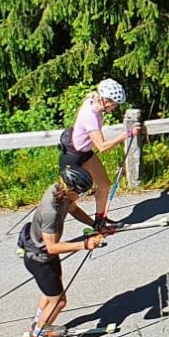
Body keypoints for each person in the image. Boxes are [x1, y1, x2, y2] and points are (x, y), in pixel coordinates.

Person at [20, 163, 106, 337]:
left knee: (49, 295)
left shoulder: (61, 192)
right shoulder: (50, 212)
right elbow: (51, 247)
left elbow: (74, 210)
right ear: (71, 190)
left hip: (45, 256)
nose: (81, 196)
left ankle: (42, 324)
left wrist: (95, 224)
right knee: (59, 302)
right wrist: (84, 244)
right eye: (81, 193)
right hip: (40, 258)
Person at [60, 79, 145, 231]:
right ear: (105, 101)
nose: (115, 107)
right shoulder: (90, 116)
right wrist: (127, 134)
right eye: (114, 104)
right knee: (66, 200)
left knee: (104, 184)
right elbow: (102, 147)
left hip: (85, 152)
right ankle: (46, 231)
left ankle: (100, 220)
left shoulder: (94, 101)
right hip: (74, 157)